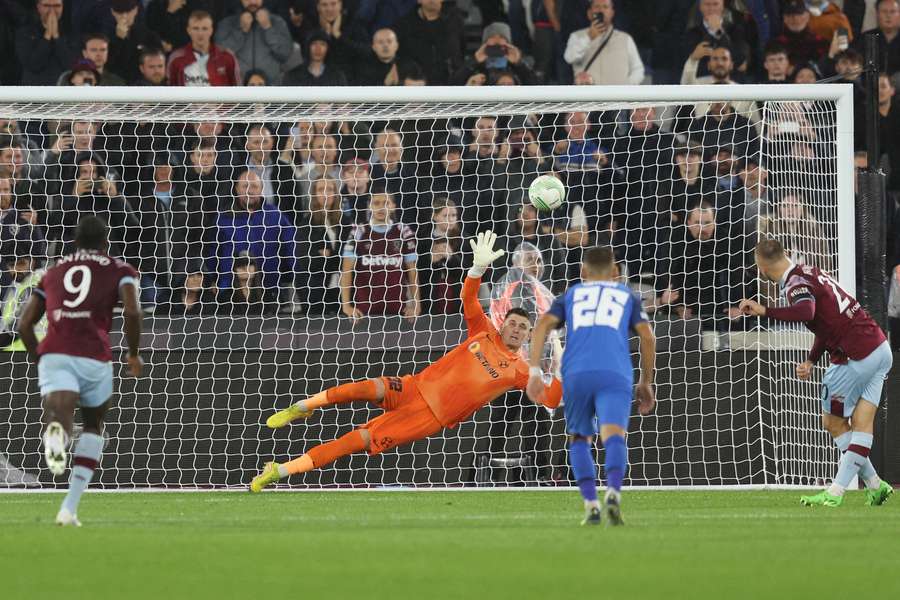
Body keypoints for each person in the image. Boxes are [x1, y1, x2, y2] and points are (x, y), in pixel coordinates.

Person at [250, 230, 563, 491]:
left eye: (523, 328)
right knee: (365, 387)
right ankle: (304, 407)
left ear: (527, 337)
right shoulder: (482, 332)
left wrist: (563, 370)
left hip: (428, 417)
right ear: (502, 322)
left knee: (356, 439)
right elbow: (468, 299)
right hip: (414, 386)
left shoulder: (520, 370)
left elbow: (549, 398)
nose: (516, 329)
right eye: (512, 323)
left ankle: (280, 471)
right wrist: (477, 269)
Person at [738, 239, 894, 508]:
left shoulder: (795, 284)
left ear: (761, 264)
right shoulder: (811, 271)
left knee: (833, 423)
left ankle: (834, 493)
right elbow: (826, 320)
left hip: (854, 355)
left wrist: (765, 310)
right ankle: (875, 486)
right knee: (861, 424)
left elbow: (806, 311)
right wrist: (811, 359)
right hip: (879, 347)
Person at [17, 216, 144, 526]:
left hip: (56, 352)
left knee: (59, 409)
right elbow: (132, 309)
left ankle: (55, 434)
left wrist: (39, 358)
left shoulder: (53, 271)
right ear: (106, 243)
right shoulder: (120, 269)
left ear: (74, 242)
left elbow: (24, 323)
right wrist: (133, 352)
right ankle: (69, 508)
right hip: (94, 355)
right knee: (93, 425)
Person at [527, 246, 656, 525]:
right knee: (613, 437)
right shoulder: (626, 296)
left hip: (577, 373)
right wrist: (646, 381)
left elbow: (541, 327)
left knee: (579, 438)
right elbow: (648, 337)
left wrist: (535, 371)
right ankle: (612, 493)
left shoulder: (572, 295)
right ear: (614, 273)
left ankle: (590, 504)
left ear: (583, 272)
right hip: (615, 371)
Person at [339, 191, 420, 320]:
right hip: (364, 312)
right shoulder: (358, 232)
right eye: (376, 203)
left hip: (398, 311)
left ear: (393, 206)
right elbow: (346, 270)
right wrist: (346, 306)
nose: (381, 207)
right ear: (370, 206)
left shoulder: (404, 231)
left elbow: (412, 270)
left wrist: (416, 305)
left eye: (386, 203)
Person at [563, 0, 644, 86]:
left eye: (605, 7)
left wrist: (626, 87)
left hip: (617, 97)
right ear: (589, 13)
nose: (601, 10)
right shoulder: (577, 36)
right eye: (597, 6)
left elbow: (638, 69)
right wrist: (589, 37)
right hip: (588, 97)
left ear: (612, 13)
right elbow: (569, 58)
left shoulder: (625, 39)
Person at [215, 0, 293, 85]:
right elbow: (219, 58)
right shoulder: (226, 23)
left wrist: (268, 28)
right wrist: (241, 31)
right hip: (237, 90)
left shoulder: (278, 22)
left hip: (270, 89)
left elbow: (285, 54)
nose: (252, 2)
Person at [167, 10, 240, 86]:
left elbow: (237, 90)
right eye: (195, 28)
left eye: (204, 29)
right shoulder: (176, 58)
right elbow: (170, 92)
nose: (200, 33)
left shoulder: (227, 57)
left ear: (211, 30)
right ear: (188, 30)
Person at [15, 0, 76, 85]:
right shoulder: (25, 33)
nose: (52, 10)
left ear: (63, 7)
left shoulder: (72, 33)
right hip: (33, 91)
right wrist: (47, 36)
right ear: (38, 7)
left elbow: (71, 66)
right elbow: (33, 64)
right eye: (47, 5)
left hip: (63, 91)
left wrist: (56, 36)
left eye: (57, 6)